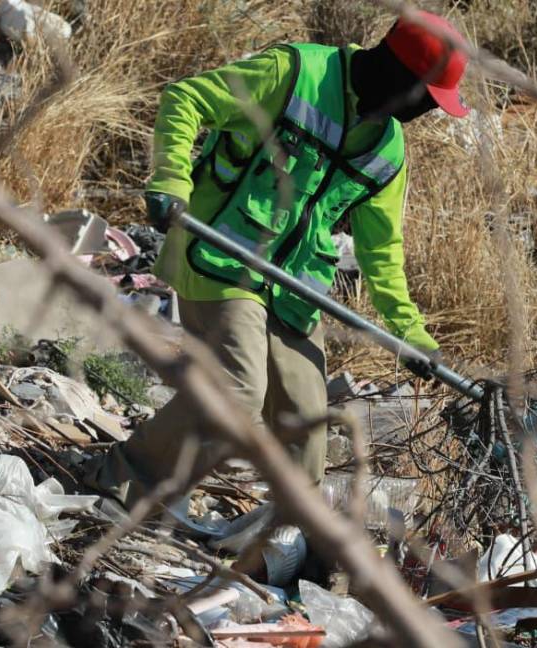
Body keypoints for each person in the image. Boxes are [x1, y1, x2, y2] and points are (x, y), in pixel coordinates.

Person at [86, 11, 470, 511]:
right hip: (222, 259)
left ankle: (282, 545)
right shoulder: (293, 74)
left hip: (293, 289)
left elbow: (381, 252)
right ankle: (117, 478)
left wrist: (411, 333)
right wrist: (171, 180)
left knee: (307, 431)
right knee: (239, 389)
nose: (427, 113)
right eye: (428, 99)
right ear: (400, 77)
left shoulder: (387, 151)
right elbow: (187, 98)